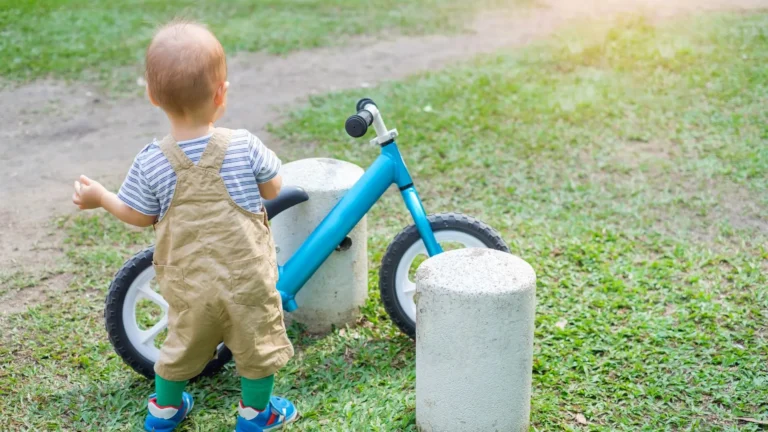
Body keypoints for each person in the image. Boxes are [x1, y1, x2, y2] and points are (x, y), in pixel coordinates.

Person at [72, 19, 297, 432]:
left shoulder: (152, 160)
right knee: (256, 345)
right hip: (247, 280)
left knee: (179, 345)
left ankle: (164, 412)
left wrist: (101, 197)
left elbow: (139, 216)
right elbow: (274, 187)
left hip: (189, 284)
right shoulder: (244, 144)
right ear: (221, 94)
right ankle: (255, 414)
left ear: (152, 96)